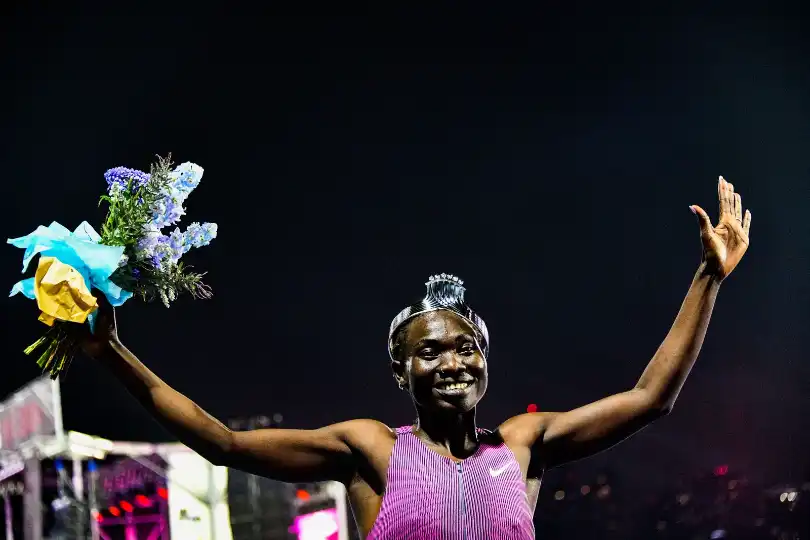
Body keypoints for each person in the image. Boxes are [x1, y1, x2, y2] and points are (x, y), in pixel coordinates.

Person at [77, 177, 751, 539]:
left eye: (466, 348)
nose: (454, 362)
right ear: (401, 373)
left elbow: (649, 399)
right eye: (429, 353)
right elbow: (222, 443)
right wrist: (112, 353)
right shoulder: (372, 449)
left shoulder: (523, 444)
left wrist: (708, 278)